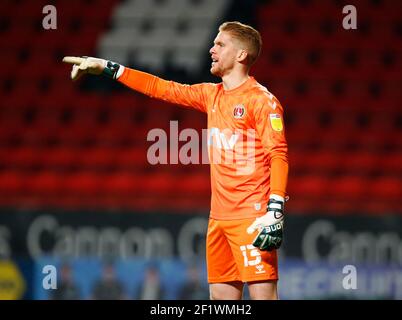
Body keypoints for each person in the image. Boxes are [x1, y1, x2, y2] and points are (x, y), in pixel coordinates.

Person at [63, 21, 289, 300]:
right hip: (218, 220)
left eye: (220, 44)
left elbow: (278, 154)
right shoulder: (211, 94)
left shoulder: (261, 101)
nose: (212, 49)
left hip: (251, 219)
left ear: (241, 55)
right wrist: (110, 68)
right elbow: (162, 88)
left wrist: (275, 209)